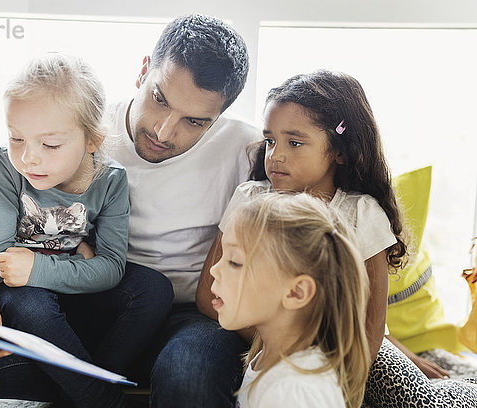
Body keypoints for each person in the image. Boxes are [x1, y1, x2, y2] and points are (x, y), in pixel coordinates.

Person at [0, 14, 260, 408]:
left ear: (219, 115)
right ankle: (88, 391)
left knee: (191, 373)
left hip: (184, 320)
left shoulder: (247, 151)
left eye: (194, 121)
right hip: (65, 309)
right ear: (143, 71)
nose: (164, 131)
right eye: (160, 99)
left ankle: (84, 390)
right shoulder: (73, 129)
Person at [197, 69, 477, 407]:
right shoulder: (249, 199)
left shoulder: (361, 213)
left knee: (415, 391)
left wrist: (309, 355)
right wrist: (278, 342)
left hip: (347, 354)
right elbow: (206, 294)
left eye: (295, 142)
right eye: (270, 140)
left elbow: (371, 332)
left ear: (339, 151)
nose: (276, 155)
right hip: (269, 342)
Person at [0, 53, 171, 406]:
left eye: (49, 144)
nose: (29, 157)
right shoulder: (3, 167)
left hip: (65, 284)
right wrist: (79, 263)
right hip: (24, 295)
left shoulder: (110, 180)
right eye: (17, 137)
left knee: (154, 289)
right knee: (31, 305)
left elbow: (112, 267)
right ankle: (98, 397)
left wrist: (38, 267)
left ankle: (75, 390)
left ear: (92, 141)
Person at [211, 193, 371, 408]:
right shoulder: (267, 358)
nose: (214, 270)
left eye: (235, 262)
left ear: (296, 292)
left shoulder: (292, 392)